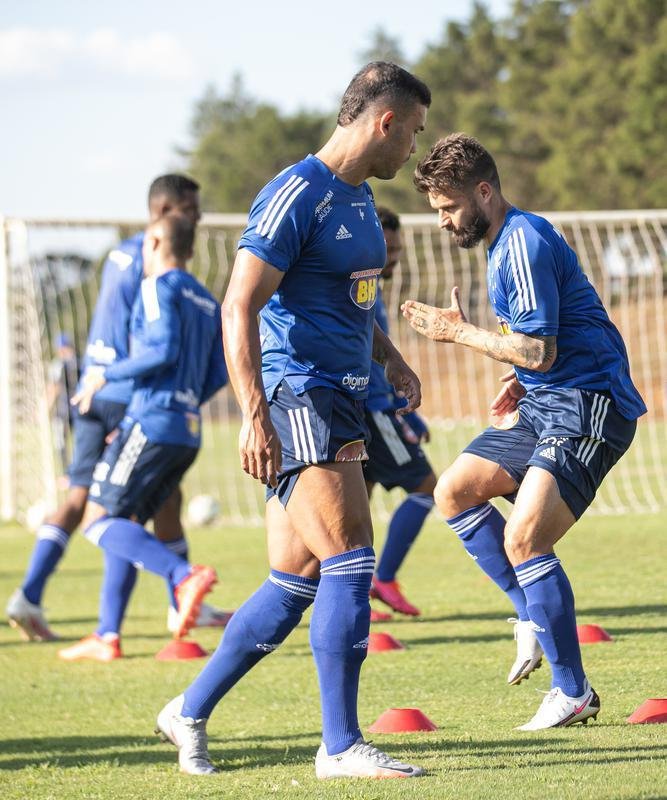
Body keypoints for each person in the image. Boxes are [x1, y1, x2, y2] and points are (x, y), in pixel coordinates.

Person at [155, 61, 431, 779]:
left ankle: (186, 710)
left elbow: (351, 299)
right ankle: (339, 745)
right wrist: (253, 416)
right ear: (385, 122)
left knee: (294, 581)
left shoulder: (361, 200)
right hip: (296, 394)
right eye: (414, 134)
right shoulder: (295, 192)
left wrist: (390, 358)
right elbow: (237, 305)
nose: (414, 150)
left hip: (342, 394)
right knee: (350, 559)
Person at [402, 133, 646, 730]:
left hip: (589, 404)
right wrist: (516, 377)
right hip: (545, 401)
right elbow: (538, 349)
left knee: (525, 541)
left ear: (484, 191)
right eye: (436, 211)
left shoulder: (523, 241)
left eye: (448, 208)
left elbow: (539, 347)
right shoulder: (501, 243)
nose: (442, 222)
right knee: (453, 491)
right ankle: (530, 615)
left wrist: (459, 335)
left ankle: (573, 692)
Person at [6, 175, 229, 642]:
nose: (198, 218)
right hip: (122, 396)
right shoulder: (152, 266)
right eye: (191, 210)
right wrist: (125, 398)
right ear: (165, 213)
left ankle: (118, 619)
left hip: (121, 390)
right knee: (101, 505)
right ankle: (146, 603)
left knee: (139, 502)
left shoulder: (127, 257)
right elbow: (145, 338)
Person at [58, 213, 227, 661]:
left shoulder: (157, 286)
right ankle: (107, 635)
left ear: (154, 241)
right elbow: (219, 370)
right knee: (125, 522)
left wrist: (103, 376)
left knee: (97, 520)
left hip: (152, 421)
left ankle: (182, 575)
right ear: (192, 250)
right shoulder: (208, 301)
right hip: (185, 430)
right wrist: (184, 401)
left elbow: (161, 349)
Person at [365, 207, 437, 618]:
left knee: (357, 507)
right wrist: (400, 413)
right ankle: (383, 578)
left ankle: (353, 593)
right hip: (373, 412)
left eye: (397, 250)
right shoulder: (361, 289)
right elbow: (370, 364)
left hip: (371, 410)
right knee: (427, 486)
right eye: (388, 249)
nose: (393, 257)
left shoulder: (368, 288)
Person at [46, 333, 80, 478]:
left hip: (65, 410)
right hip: (78, 408)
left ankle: (68, 474)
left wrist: (45, 407)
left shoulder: (58, 365)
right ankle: (72, 473)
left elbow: (54, 388)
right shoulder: (80, 361)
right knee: (74, 442)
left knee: (62, 442)